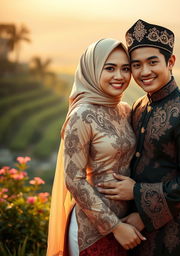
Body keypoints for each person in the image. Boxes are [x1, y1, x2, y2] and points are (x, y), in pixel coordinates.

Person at [97, 20, 180, 256]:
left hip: (172, 232)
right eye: (136, 65)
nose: (144, 72)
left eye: (152, 62)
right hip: (133, 229)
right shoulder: (139, 105)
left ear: (170, 62)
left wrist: (137, 194)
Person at [46, 38, 146, 256]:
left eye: (125, 69)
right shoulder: (81, 115)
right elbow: (74, 179)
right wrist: (115, 227)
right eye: (110, 68)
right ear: (92, 69)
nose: (119, 76)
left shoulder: (124, 110)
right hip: (93, 229)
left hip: (128, 224)